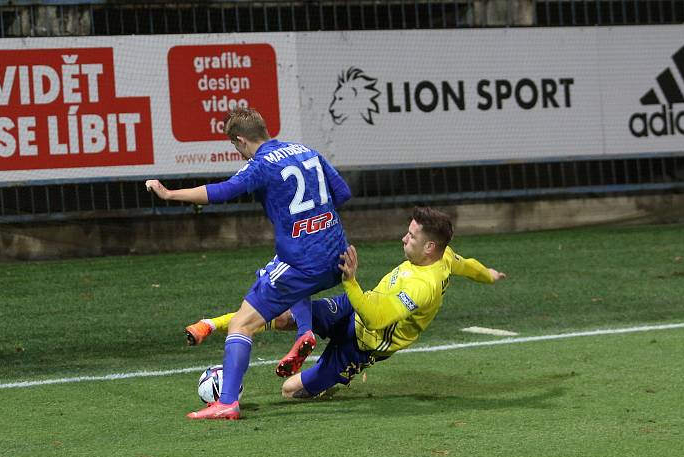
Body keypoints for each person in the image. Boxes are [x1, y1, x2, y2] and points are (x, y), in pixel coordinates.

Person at [145, 108, 351, 420]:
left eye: (235, 146)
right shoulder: (308, 151)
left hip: (303, 261)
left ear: (240, 140)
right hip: (339, 257)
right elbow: (343, 193)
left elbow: (221, 191)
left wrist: (170, 193)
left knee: (243, 322)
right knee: (281, 275)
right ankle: (305, 331)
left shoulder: (261, 164)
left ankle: (227, 402)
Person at [191, 207, 507, 401]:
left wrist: (351, 281)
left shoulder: (422, 287)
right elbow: (468, 265)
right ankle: (211, 324)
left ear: (430, 247)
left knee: (290, 390)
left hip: (362, 344)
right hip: (350, 306)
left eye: (411, 237)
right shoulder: (446, 256)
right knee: (282, 312)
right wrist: (489, 275)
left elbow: (376, 318)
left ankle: (329, 377)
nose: (403, 239)